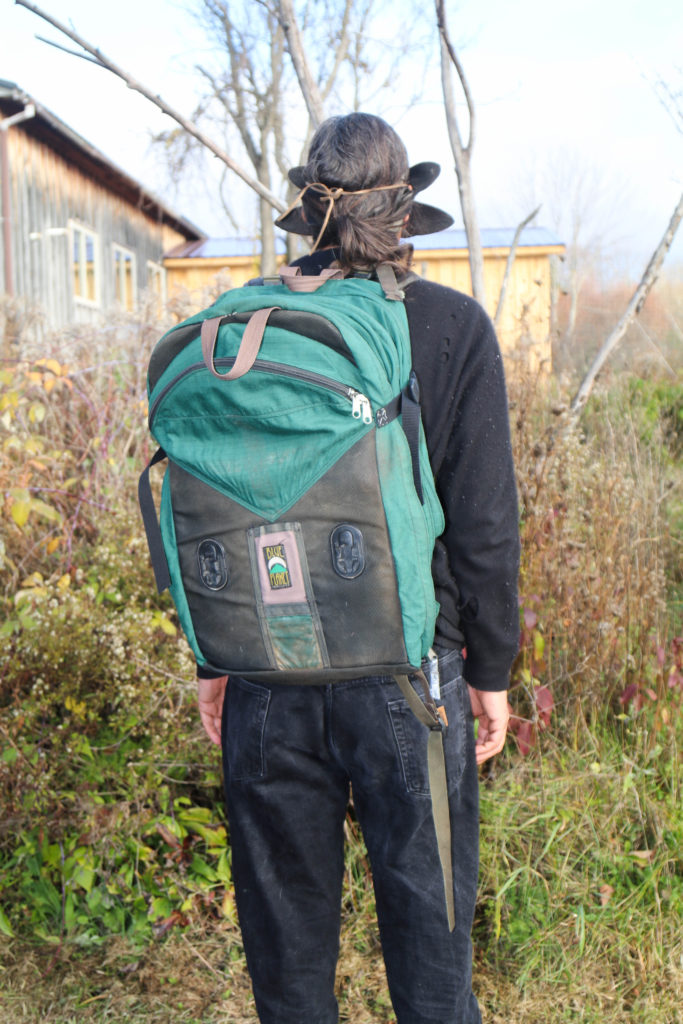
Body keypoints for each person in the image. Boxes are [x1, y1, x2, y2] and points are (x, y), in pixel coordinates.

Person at [196, 113, 520, 1024]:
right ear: (404, 213)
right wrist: (487, 672)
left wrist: (211, 659)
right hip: (408, 673)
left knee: (288, 956)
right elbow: (483, 524)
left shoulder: (246, 324)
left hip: (262, 666)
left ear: (308, 210)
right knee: (430, 940)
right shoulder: (450, 325)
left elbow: (214, 500)